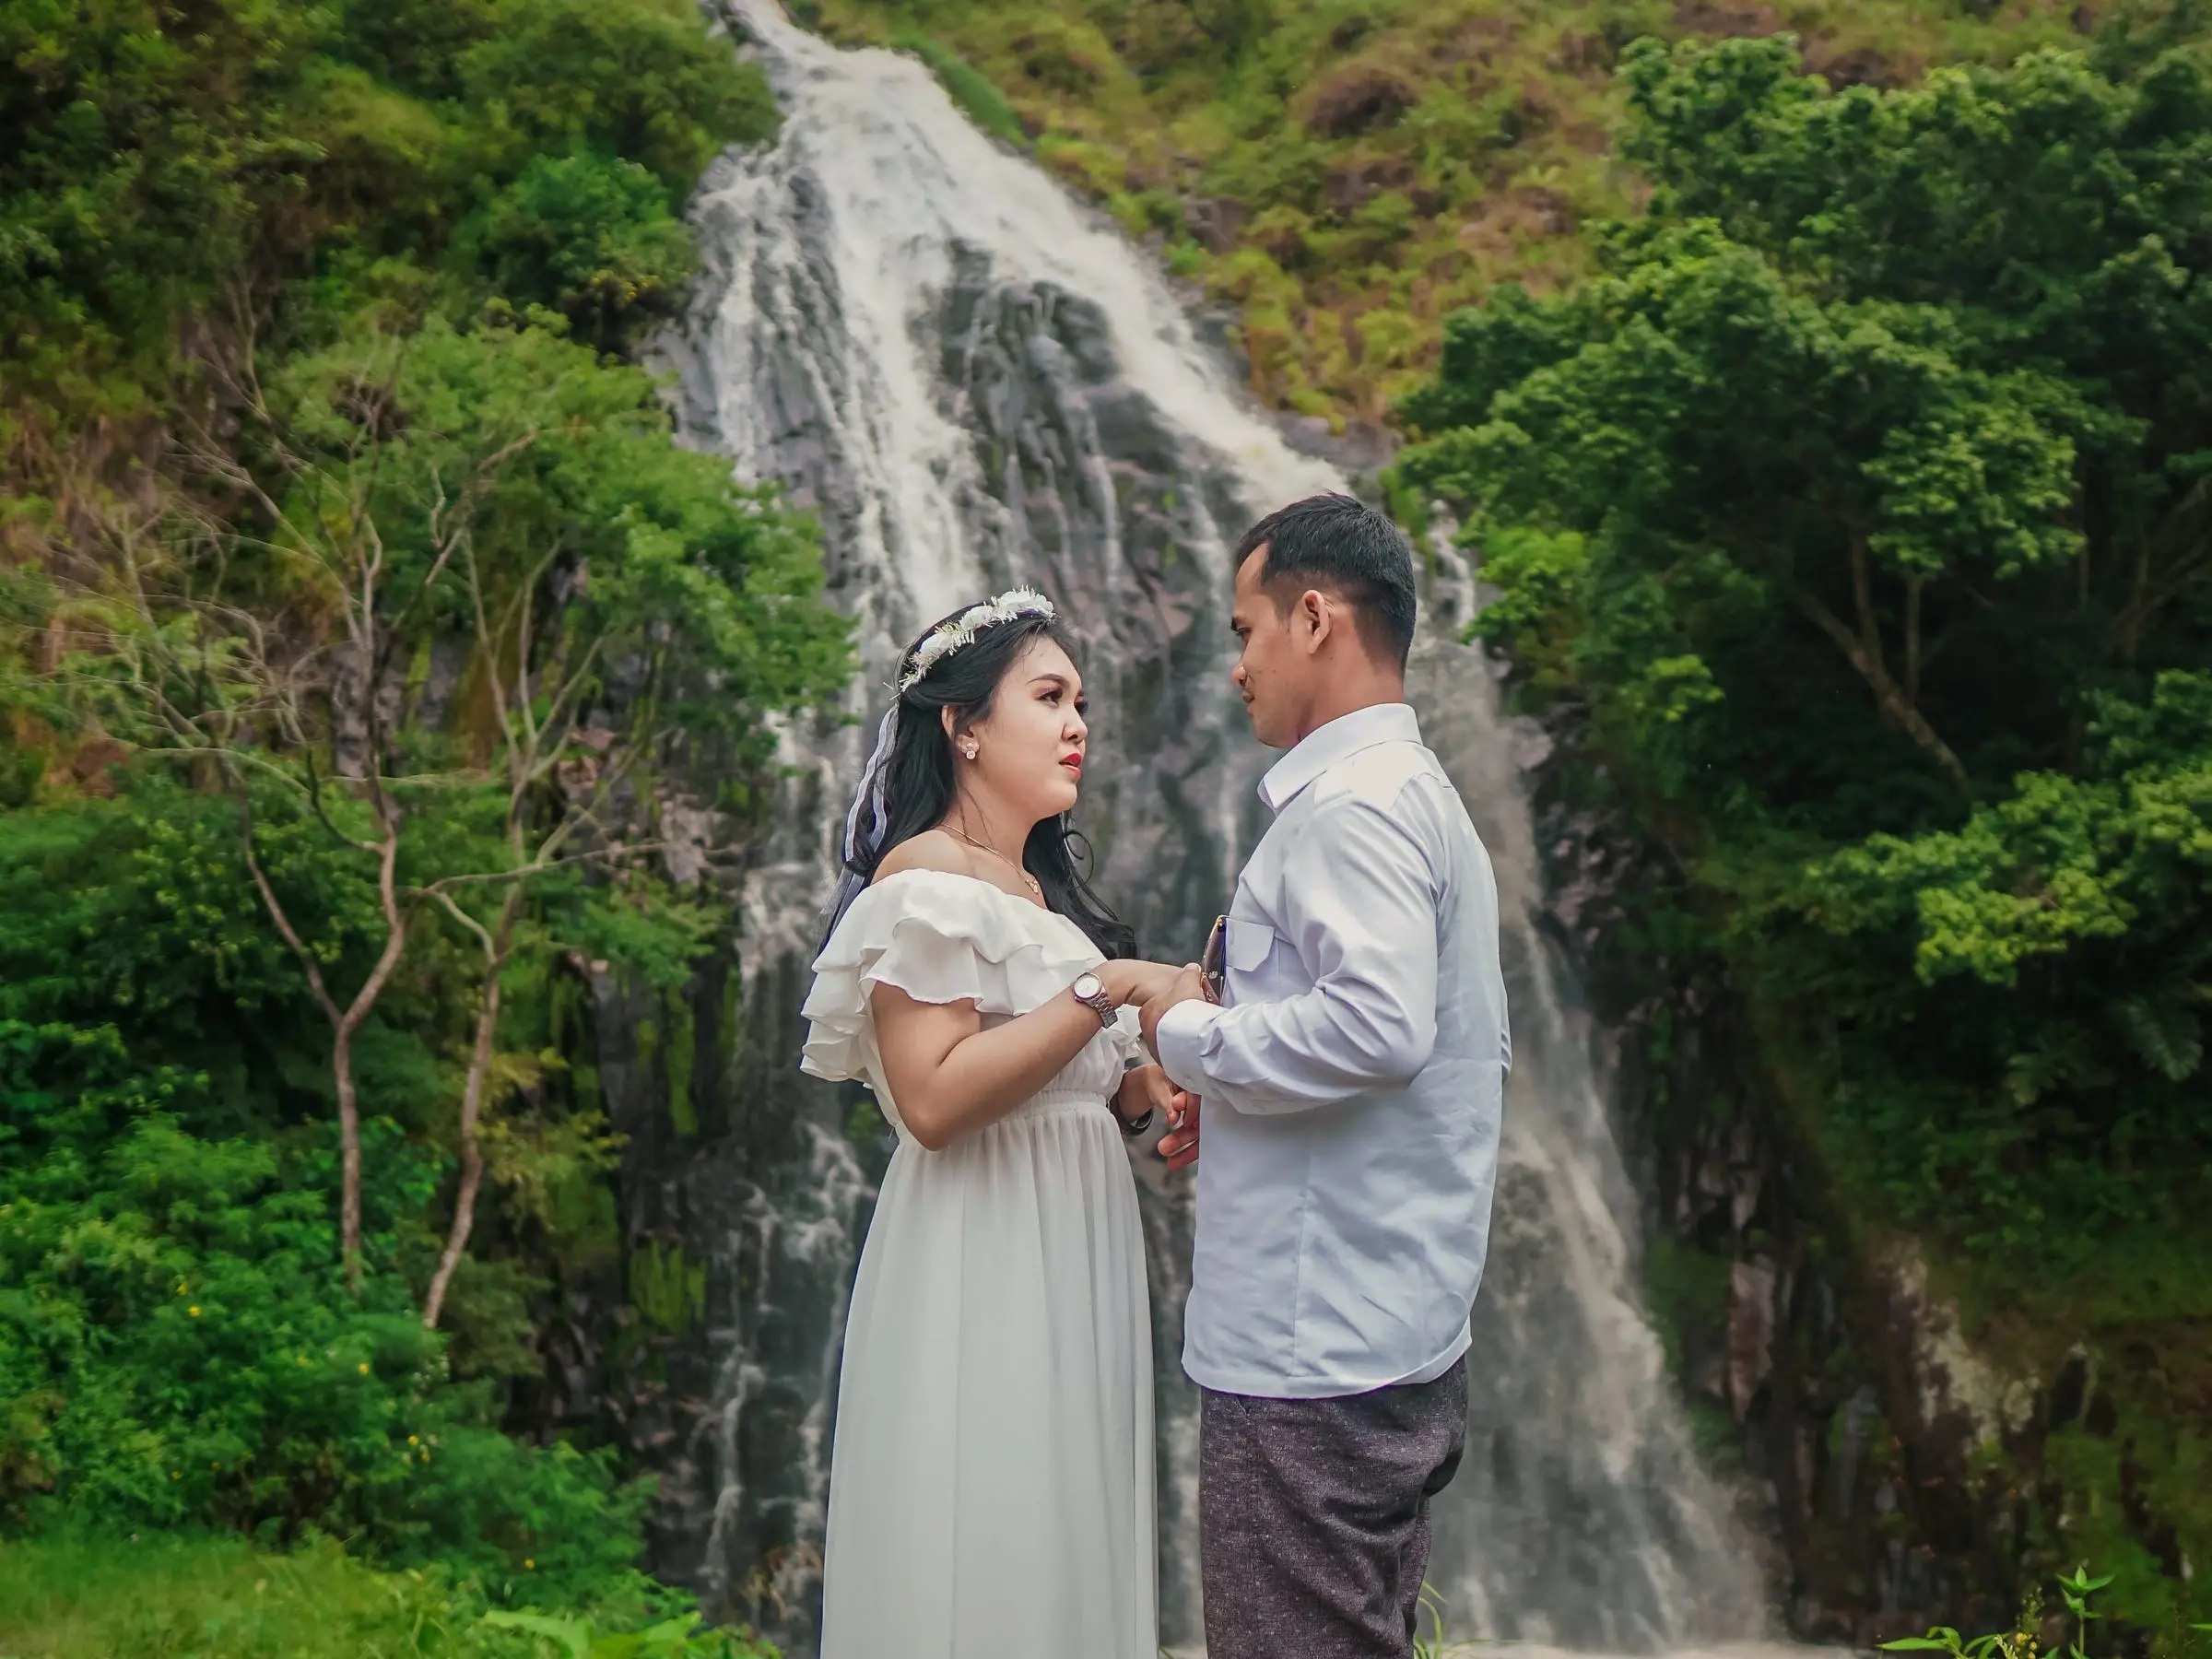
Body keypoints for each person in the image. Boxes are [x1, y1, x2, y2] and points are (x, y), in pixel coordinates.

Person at [1139, 494, 1512, 1659]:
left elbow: (1375, 1030)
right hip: (1388, 1335)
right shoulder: (1417, 797)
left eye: (1246, 631)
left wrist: (1182, 1033)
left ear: (1314, 618)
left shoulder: (1349, 811)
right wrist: (1239, 1085)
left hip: (1313, 1363)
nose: (1237, 667)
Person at [800, 588, 1185, 1659]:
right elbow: (934, 1099)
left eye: (1083, 704)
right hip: (987, 1245)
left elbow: (1056, 1070)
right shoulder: (924, 874)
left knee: (1061, 1519)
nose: (1079, 726)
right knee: (995, 1517)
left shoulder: (1035, 893)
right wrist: (1105, 992)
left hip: (1072, 1244)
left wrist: (1145, 1087)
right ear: (963, 728)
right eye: (1050, 697)